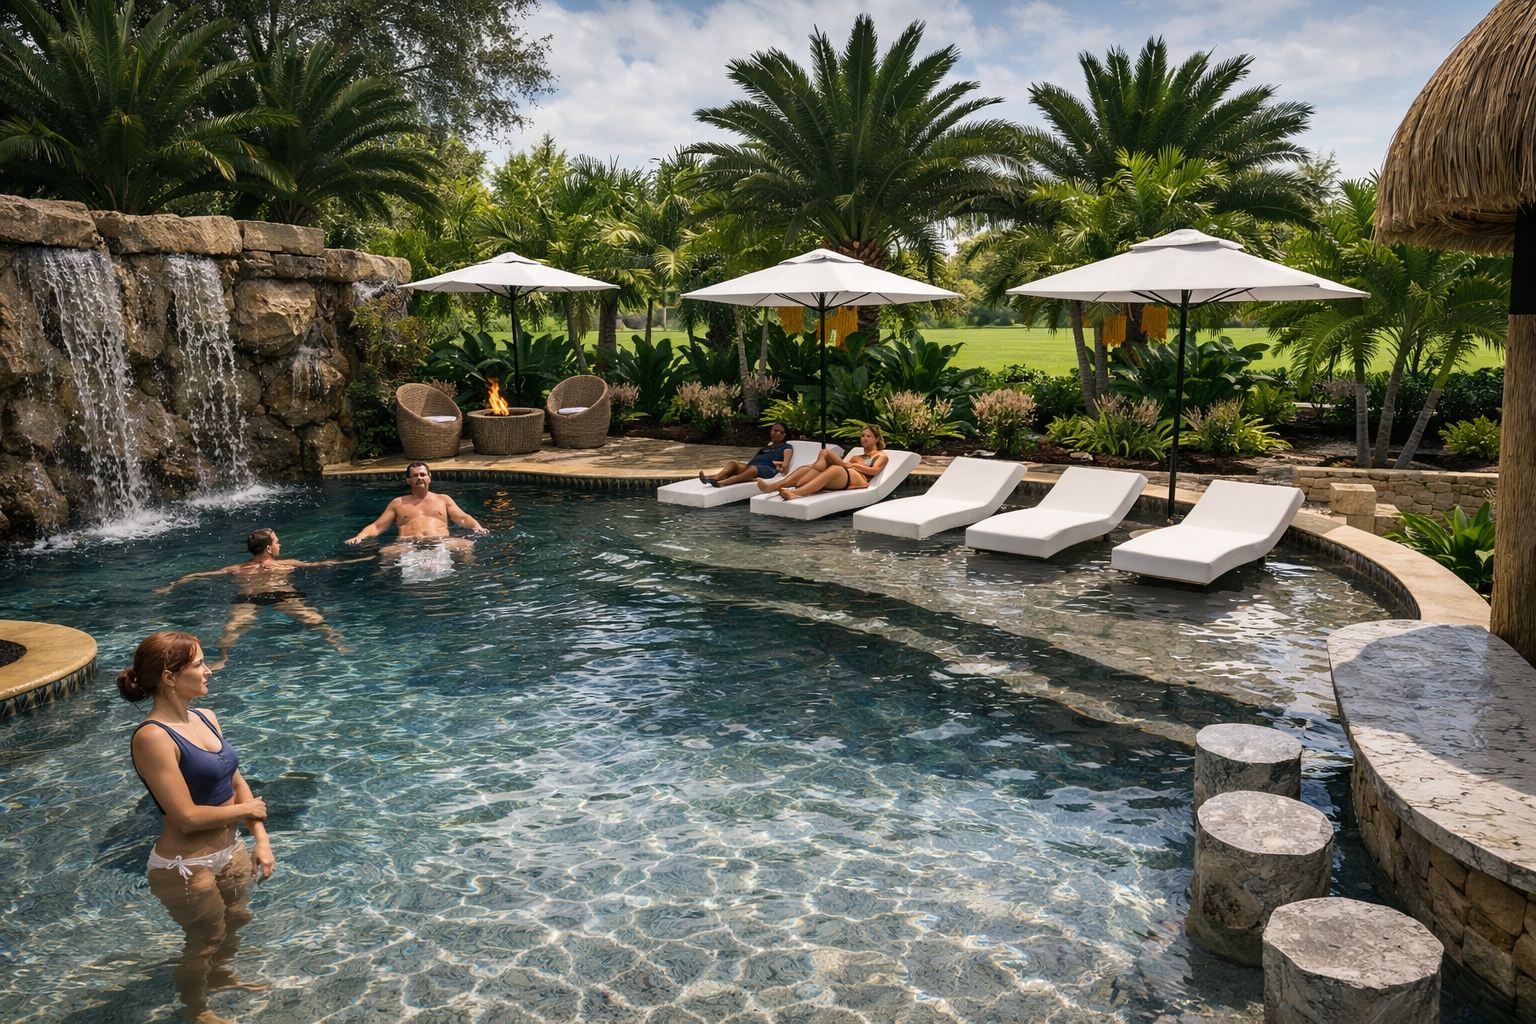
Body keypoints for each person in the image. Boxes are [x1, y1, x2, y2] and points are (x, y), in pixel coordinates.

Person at [119, 631, 273, 1024]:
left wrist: (260, 837)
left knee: (237, 919)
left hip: (230, 850)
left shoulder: (206, 716)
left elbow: (235, 781)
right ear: (169, 677)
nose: (209, 671)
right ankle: (195, 1011)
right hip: (185, 865)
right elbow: (185, 817)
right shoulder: (152, 737)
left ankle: (220, 978)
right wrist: (250, 808)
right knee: (204, 940)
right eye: (199, 664)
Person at [158, 528, 366, 670]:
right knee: (232, 628)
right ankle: (223, 659)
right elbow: (199, 576)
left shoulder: (280, 564)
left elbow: (324, 564)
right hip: (250, 599)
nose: (280, 544)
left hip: (284, 596)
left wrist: (362, 559)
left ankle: (336, 643)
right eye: (276, 541)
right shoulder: (243, 568)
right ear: (268, 548)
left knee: (314, 619)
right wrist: (172, 585)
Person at [344, 462, 487, 557]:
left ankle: (466, 577)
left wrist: (477, 527)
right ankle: (388, 582)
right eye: (415, 475)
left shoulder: (443, 499)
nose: (419, 478)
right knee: (386, 553)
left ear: (429, 478)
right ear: (408, 480)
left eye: (423, 475)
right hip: (408, 544)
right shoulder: (398, 503)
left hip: (441, 541)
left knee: (467, 546)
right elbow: (377, 526)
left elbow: (462, 517)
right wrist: (360, 537)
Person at [758, 424, 889, 500]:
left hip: (860, 479)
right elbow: (845, 469)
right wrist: (847, 465)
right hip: (845, 474)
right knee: (810, 466)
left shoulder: (880, 455)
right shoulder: (856, 455)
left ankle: (796, 493)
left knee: (834, 468)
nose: (864, 439)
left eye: (868, 436)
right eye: (862, 436)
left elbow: (874, 470)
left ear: (877, 439)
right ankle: (772, 487)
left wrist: (851, 465)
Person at [698, 422, 793, 487]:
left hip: (768, 469)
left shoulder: (786, 447)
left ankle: (721, 483)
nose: (773, 433)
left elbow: (785, 465)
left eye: (777, 431)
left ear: (784, 434)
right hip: (753, 466)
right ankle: (715, 477)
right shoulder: (768, 446)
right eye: (772, 430)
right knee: (733, 464)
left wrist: (775, 463)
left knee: (753, 469)